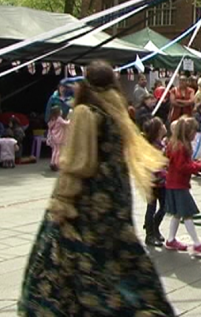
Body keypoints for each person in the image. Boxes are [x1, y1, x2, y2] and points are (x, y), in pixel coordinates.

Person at [19, 61, 174, 316]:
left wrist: (61, 203)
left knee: (72, 270)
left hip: (89, 207)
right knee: (120, 265)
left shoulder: (87, 113)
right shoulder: (118, 113)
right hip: (115, 205)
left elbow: (79, 164)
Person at [163, 116, 201, 254]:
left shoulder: (176, 145)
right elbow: (182, 167)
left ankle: (170, 239)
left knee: (177, 214)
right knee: (187, 214)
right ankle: (197, 243)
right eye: (194, 131)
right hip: (178, 185)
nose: (195, 134)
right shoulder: (180, 147)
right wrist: (199, 166)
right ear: (188, 132)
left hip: (174, 184)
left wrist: (197, 164)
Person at [143, 117, 168, 247]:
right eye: (162, 125)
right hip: (152, 183)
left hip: (162, 183)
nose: (165, 126)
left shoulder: (162, 144)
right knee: (151, 207)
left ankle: (154, 227)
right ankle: (149, 234)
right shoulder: (152, 147)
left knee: (165, 207)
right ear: (158, 130)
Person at [46, 105, 69, 171]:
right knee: (58, 150)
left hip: (54, 137)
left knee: (54, 150)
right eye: (60, 110)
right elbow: (66, 123)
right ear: (58, 112)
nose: (61, 111)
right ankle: (56, 164)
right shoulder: (59, 118)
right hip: (59, 137)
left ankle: (52, 163)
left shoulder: (52, 119)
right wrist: (70, 120)